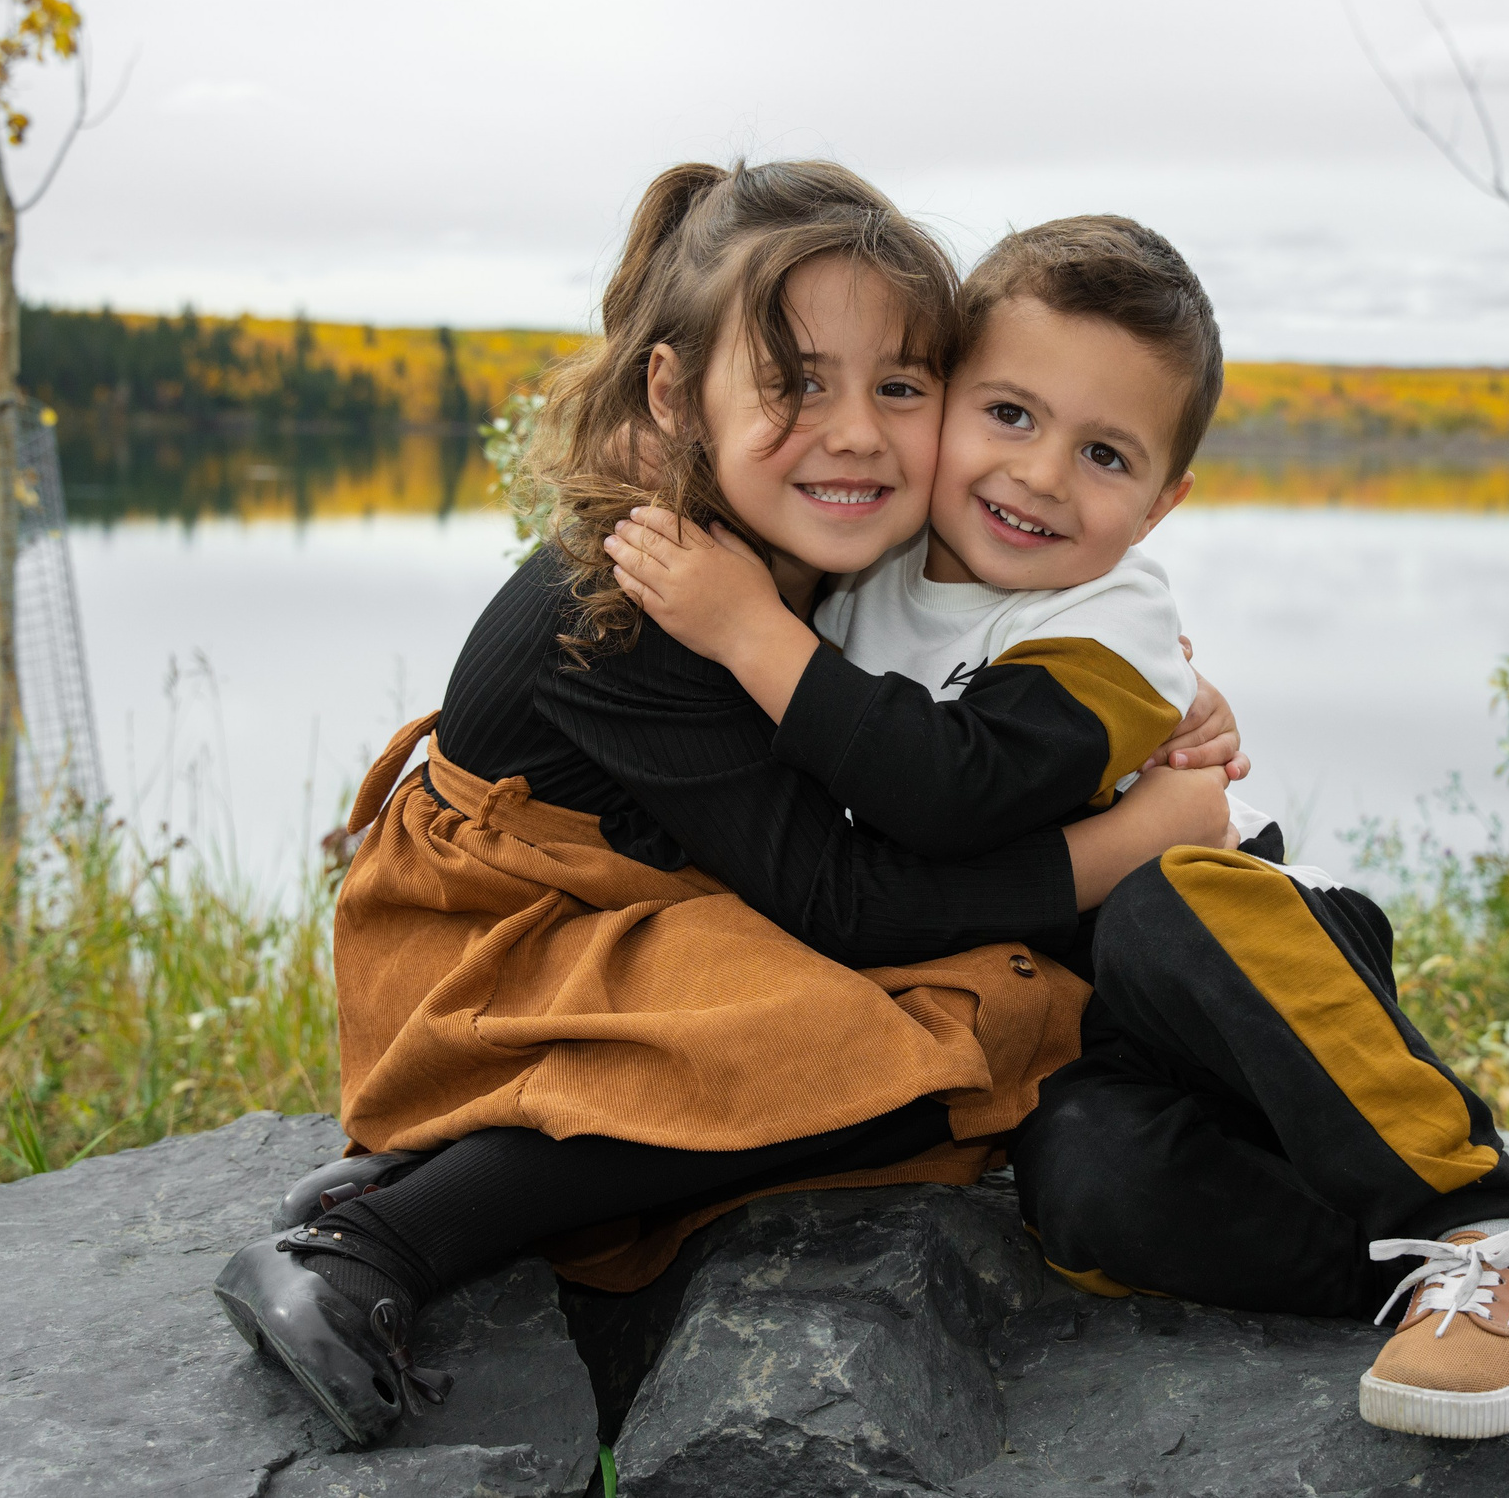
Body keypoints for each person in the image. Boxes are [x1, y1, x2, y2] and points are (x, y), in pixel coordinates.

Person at [210, 163, 1236, 1446]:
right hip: (501, 948)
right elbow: (844, 905)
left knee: (980, 1008)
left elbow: (972, 701)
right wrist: (1128, 841)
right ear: (673, 392)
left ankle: (467, 1168)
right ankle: (372, 1241)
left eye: (900, 387)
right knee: (915, 1051)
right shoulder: (643, 602)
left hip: (664, 908)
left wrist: (1159, 699)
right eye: (796, 383)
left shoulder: (802, 550)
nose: (856, 431)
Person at [605, 214, 1509, 1440]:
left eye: (1105, 455)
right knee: (1081, 1181)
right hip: (1097, 1036)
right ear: (942, 406)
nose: (1038, 477)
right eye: (1010, 416)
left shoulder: (1111, 619)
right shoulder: (865, 579)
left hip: (1253, 976)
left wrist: (748, 634)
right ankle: (1400, 1282)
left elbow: (948, 789)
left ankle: (1486, 1228)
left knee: (1160, 906)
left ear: (1163, 502)